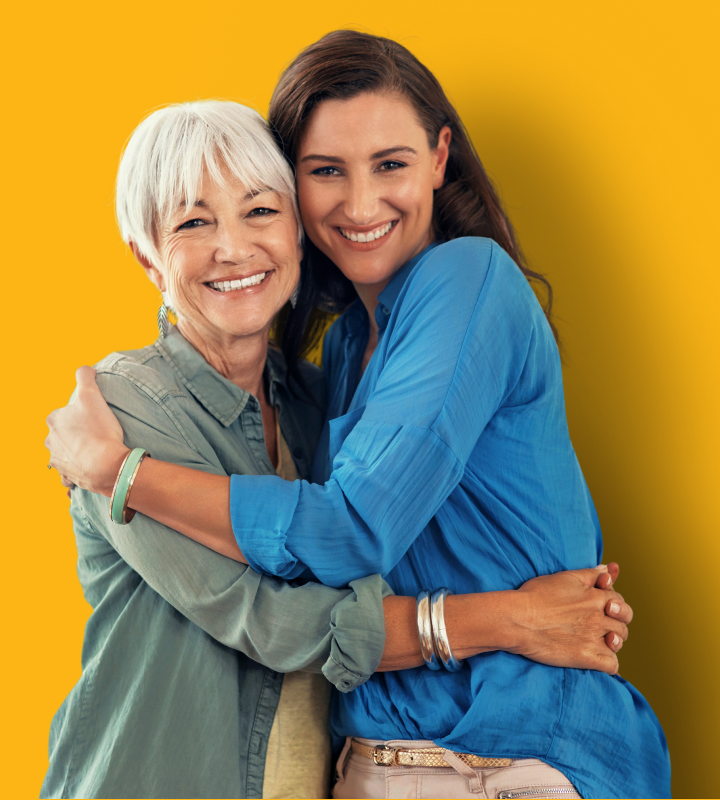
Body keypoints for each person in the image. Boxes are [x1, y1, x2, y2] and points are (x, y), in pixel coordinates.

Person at [43, 99, 632, 800]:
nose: (233, 247)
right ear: (147, 256)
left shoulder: (316, 402)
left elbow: (361, 558)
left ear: (296, 230)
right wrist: (511, 620)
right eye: (193, 222)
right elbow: (271, 618)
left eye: (260, 212)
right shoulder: (123, 412)